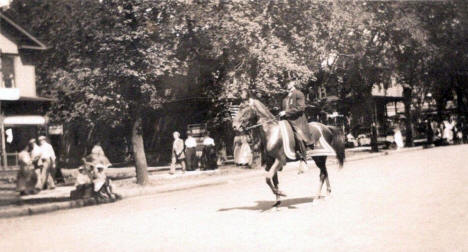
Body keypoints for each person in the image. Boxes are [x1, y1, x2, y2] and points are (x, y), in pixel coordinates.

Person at [279, 80, 313, 163]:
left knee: (299, 137)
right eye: (286, 83)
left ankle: (305, 155)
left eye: (289, 83)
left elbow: (301, 108)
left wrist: (286, 112)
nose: (287, 85)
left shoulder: (298, 93)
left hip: (297, 120)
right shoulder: (285, 97)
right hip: (286, 120)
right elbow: (283, 109)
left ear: (293, 83)